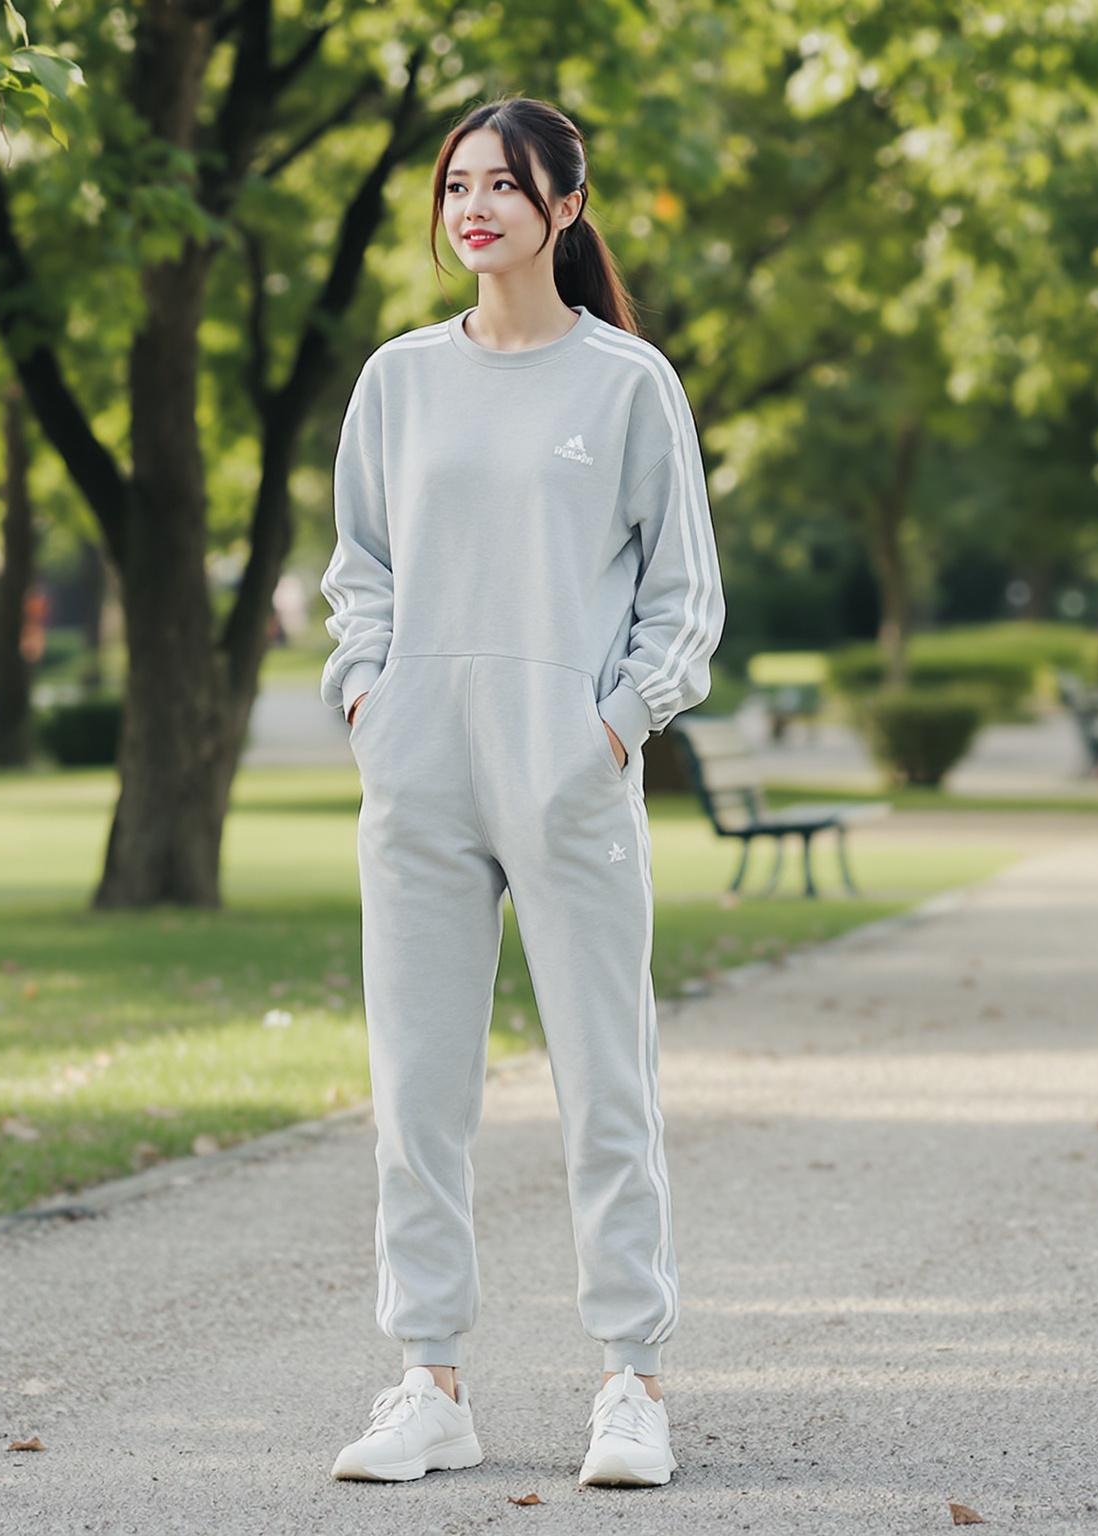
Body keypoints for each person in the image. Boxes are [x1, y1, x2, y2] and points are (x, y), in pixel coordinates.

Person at [315, 94, 723, 1490]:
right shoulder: (398, 381)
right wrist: (368, 696)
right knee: (415, 1094)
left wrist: (606, 732)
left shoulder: (626, 385)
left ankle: (631, 1380)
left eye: (502, 185)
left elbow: (682, 603)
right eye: (456, 187)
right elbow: (357, 570)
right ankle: (427, 1382)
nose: (471, 208)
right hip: (418, 776)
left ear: (566, 205)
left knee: (608, 1087)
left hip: (567, 782)